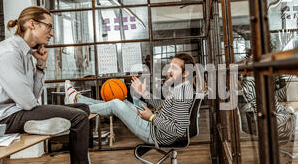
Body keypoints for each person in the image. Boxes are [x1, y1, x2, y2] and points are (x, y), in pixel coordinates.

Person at [0, 6, 117, 164]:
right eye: (49, 27)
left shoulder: (25, 53)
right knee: (78, 117)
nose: (52, 33)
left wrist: (40, 65)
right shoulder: (8, 53)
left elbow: (31, 98)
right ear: (32, 24)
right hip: (2, 120)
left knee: (82, 110)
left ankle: (47, 128)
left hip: (18, 111)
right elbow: (28, 103)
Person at [64, 53, 199, 146]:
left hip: (154, 133)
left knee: (116, 104)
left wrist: (151, 118)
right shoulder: (180, 88)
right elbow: (164, 106)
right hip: (153, 126)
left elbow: (178, 130)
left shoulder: (183, 93)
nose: (169, 70)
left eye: (174, 68)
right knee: (121, 101)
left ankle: (76, 107)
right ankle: (78, 99)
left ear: (185, 73)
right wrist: (144, 93)